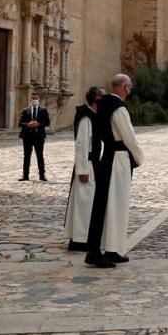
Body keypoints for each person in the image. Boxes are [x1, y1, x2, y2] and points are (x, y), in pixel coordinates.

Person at [85, 74, 145, 268]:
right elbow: (129, 137)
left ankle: (111, 249)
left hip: (108, 156)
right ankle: (100, 251)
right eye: (130, 87)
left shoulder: (103, 104)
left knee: (108, 204)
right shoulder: (118, 109)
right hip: (118, 158)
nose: (130, 90)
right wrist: (139, 157)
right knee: (115, 203)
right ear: (125, 87)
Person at [66, 87, 102, 251]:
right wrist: (82, 170)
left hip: (92, 164)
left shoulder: (93, 117)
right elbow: (81, 144)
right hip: (86, 165)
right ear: (96, 98)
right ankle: (80, 239)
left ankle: (86, 237)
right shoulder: (86, 118)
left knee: (88, 203)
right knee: (84, 203)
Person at [18, 91, 51, 181]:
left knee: (40, 155)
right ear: (30, 99)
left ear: (39, 99)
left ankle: (42, 175)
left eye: (36, 98)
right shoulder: (26, 110)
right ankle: (25, 175)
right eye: (33, 98)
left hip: (39, 136)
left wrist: (38, 124)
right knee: (27, 156)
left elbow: (47, 122)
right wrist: (28, 124)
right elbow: (20, 123)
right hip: (27, 136)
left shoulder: (43, 110)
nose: (34, 100)